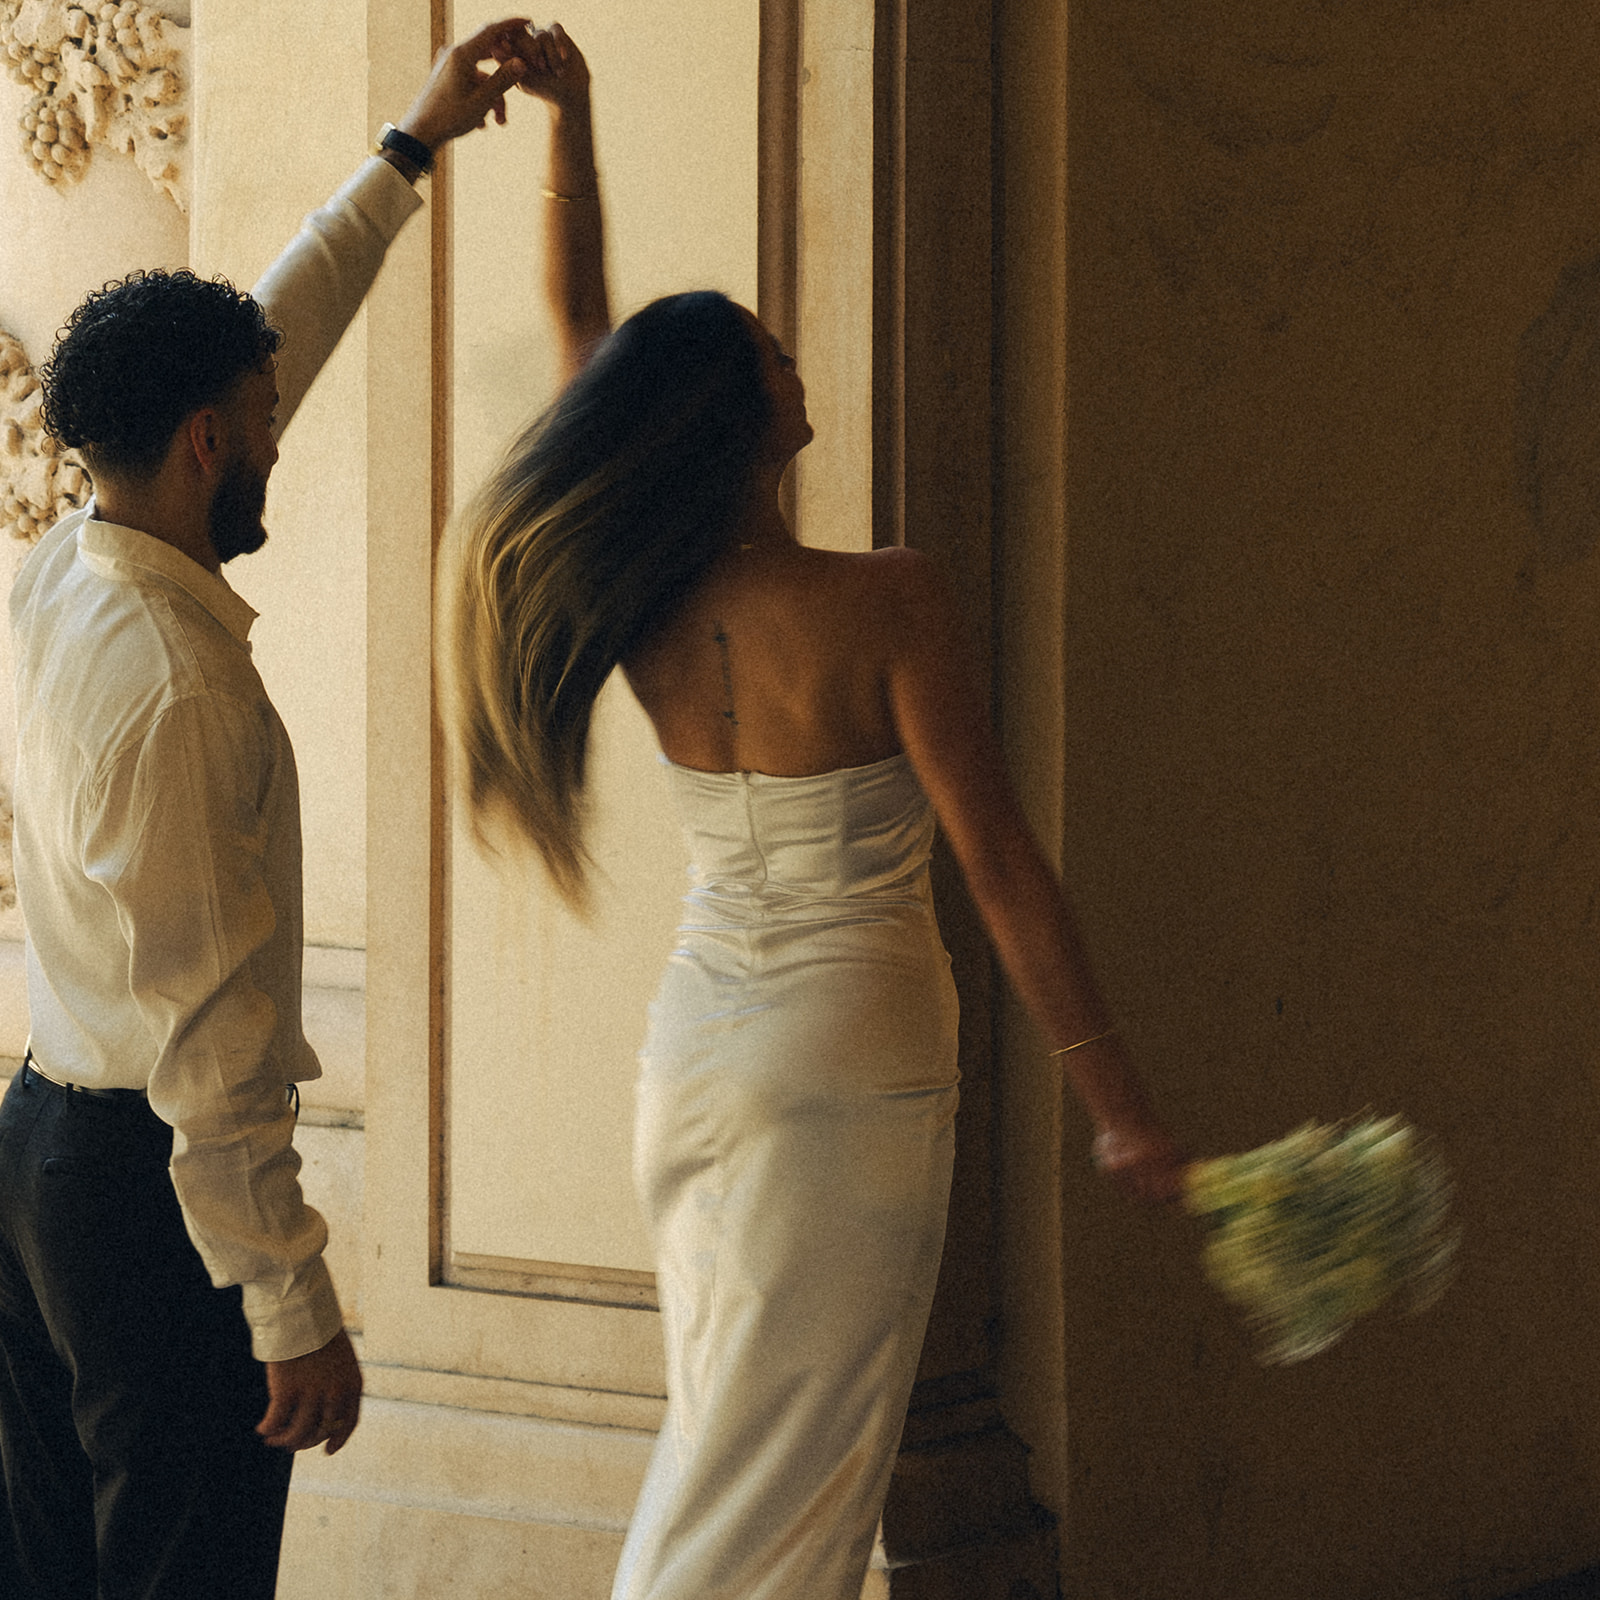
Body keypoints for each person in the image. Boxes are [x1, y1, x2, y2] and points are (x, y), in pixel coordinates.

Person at [445, 25, 1187, 1600]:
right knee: (797, 1485)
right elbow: (996, 862)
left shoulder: (635, 587)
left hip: (698, 1054)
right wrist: (1115, 1097)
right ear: (739, 417)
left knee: (729, 1444)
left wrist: (575, 124)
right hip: (854, 1064)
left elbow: (584, 340)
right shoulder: (889, 602)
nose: (799, 369)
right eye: (777, 357)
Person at [0, 21, 537, 1600]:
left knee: (49, 1571)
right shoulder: (180, 689)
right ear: (206, 443)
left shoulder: (64, 566)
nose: (279, 431)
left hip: (42, 1157)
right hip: (146, 1194)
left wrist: (408, 151)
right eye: (260, 415)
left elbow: (274, 327)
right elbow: (213, 1044)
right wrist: (290, 1304)